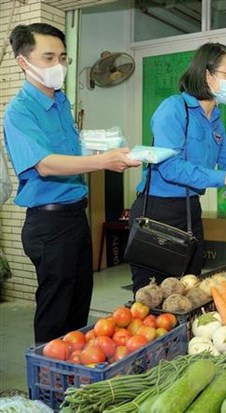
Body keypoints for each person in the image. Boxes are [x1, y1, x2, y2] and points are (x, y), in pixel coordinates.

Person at [3, 23, 142, 343]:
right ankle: (48, 384)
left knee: (79, 304)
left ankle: (75, 375)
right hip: (49, 222)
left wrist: (107, 151)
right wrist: (102, 161)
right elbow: (45, 163)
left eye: (63, 57)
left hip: (74, 215)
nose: (59, 66)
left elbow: (71, 151)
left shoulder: (61, 102)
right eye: (48, 57)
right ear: (23, 62)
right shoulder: (19, 112)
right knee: (56, 312)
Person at [129, 42, 226, 293]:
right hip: (158, 211)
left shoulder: (215, 119)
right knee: (154, 296)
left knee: (191, 290)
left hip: (190, 211)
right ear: (207, 75)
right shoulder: (173, 109)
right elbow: (170, 168)